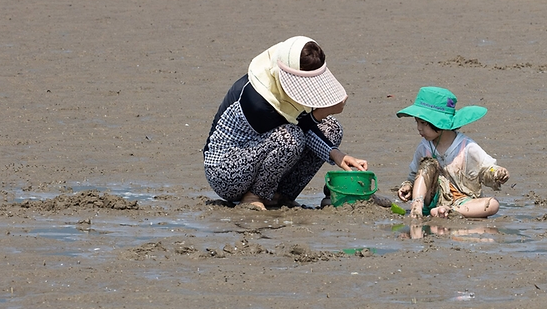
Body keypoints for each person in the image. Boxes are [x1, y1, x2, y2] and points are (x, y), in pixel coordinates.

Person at [203, 36, 367, 210]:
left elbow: (303, 126)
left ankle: (280, 196)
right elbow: (298, 130)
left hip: (261, 158)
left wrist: (336, 154)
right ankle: (255, 196)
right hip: (226, 172)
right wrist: (323, 112)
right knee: (290, 138)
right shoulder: (257, 99)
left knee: (331, 128)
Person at [395, 87, 509, 219]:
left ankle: (449, 211)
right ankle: (417, 207)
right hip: (432, 198)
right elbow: (414, 175)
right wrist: (408, 187)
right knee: (428, 164)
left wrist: (497, 173)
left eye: (423, 123)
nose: (419, 128)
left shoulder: (467, 146)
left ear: (439, 123)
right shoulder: (424, 147)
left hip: (462, 200)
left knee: (492, 204)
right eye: (417, 122)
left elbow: (486, 169)